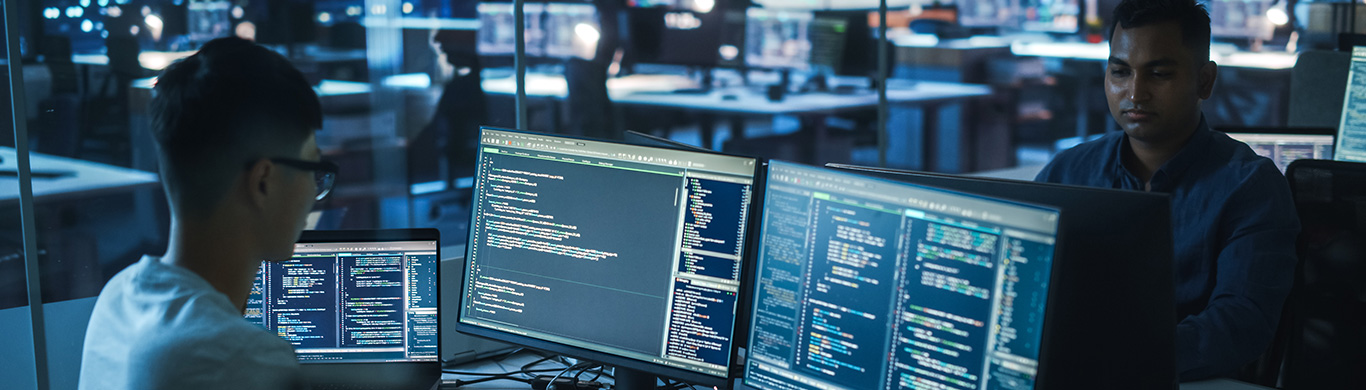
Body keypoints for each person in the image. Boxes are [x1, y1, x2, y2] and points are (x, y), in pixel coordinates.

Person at [1034, 0, 1300, 381]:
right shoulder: (1068, 170)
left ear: (1204, 81)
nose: (1135, 93)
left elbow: (1241, 323)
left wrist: (1115, 361)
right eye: (1121, 71)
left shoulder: (1249, 186)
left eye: (1158, 74)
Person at [78, 37, 336, 390]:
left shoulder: (118, 296)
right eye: (312, 167)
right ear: (263, 181)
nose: (314, 191)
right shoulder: (238, 355)